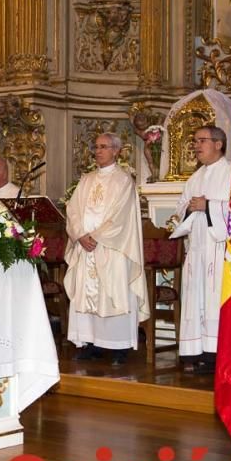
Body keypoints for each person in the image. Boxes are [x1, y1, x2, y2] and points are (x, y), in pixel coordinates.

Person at [64, 133, 148, 365]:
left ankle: (118, 346)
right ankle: (90, 343)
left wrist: (96, 237)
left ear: (116, 151)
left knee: (113, 293)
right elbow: (72, 209)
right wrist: (80, 234)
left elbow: (121, 217)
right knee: (86, 294)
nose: (98, 151)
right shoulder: (86, 179)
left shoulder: (123, 180)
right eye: (96, 147)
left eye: (103, 147)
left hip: (112, 248)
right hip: (85, 247)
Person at [170, 126, 231, 375]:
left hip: (218, 249)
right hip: (197, 248)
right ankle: (197, 352)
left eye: (202, 141)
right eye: (194, 141)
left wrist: (209, 206)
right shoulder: (195, 177)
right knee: (196, 300)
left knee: (215, 299)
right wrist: (189, 209)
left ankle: (217, 354)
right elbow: (180, 209)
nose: (196, 146)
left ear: (218, 144)